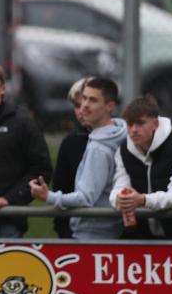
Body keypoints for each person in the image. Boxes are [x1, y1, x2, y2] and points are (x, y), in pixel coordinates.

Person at [30, 77, 126, 240]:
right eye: (83, 99)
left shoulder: (99, 147)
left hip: (93, 235)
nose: (85, 106)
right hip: (109, 231)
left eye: (93, 100)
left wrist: (48, 197)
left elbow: (85, 197)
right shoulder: (117, 133)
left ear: (110, 106)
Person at [0, 61, 52, 238]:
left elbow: (41, 170)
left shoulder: (23, 123)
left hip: (7, 221)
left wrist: (7, 199)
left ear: (2, 89)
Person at [110, 95, 172, 240]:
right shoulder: (123, 150)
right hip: (140, 237)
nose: (134, 130)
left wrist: (143, 200)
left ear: (155, 124)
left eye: (140, 123)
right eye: (130, 124)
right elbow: (119, 186)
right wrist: (120, 199)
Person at [52, 77, 93, 239]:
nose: (82, 110)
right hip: (75, 234)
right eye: (77, 105)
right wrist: (64, 232)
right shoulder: (70, 143)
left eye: (88, 103)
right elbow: (61, 187)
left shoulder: (121, 140)